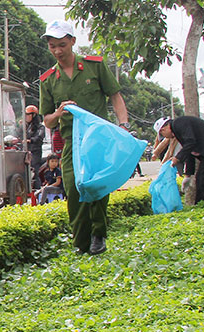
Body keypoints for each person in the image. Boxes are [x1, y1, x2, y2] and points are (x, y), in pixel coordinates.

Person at [39, 20, 129, 255]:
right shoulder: (48, 79)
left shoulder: (94, 66)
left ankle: (98, 234)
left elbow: (115, 96)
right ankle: (81, 243)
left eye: (62, 44)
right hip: (71, 142)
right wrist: (58, 113)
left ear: (72, 41)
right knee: (74, 189)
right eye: (52, 46)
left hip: (97, 139)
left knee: (97, 186)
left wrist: (124, 125)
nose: (57, 51)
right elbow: (46, 120)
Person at [154, 116, 204, 203]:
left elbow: (190, 143)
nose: (165, 136)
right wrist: (188, 175)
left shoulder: (179, 124)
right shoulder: (178, 129)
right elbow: (190, 151)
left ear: (164, 129)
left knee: (203, 179)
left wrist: (177, 158)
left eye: (162, 134)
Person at [25, 105, 46, 187]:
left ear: (33, 115)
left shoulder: (40, 127)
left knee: (34, 171)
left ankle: (37, 191)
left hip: (35, 152)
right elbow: (18, 134)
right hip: (26, 151)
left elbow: (40, 137)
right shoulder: (26, 126)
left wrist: (31, 140)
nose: (26, 117)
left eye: (28, 114)